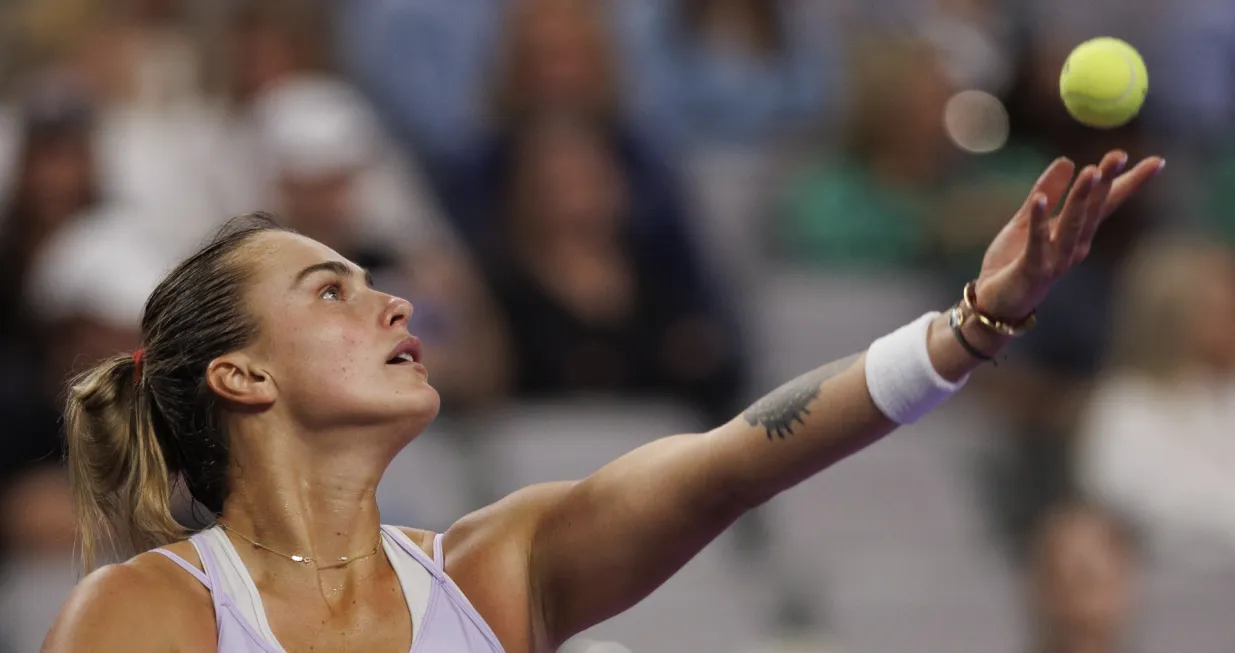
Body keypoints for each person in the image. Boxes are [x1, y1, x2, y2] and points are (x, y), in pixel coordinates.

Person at [41, 151, 1161, 653]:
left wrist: (968, 324)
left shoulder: (495, 569)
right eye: (331, 288)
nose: (391, 302)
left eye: (375, 278)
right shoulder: (147, 613)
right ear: (243, 375)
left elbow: (739, 455)